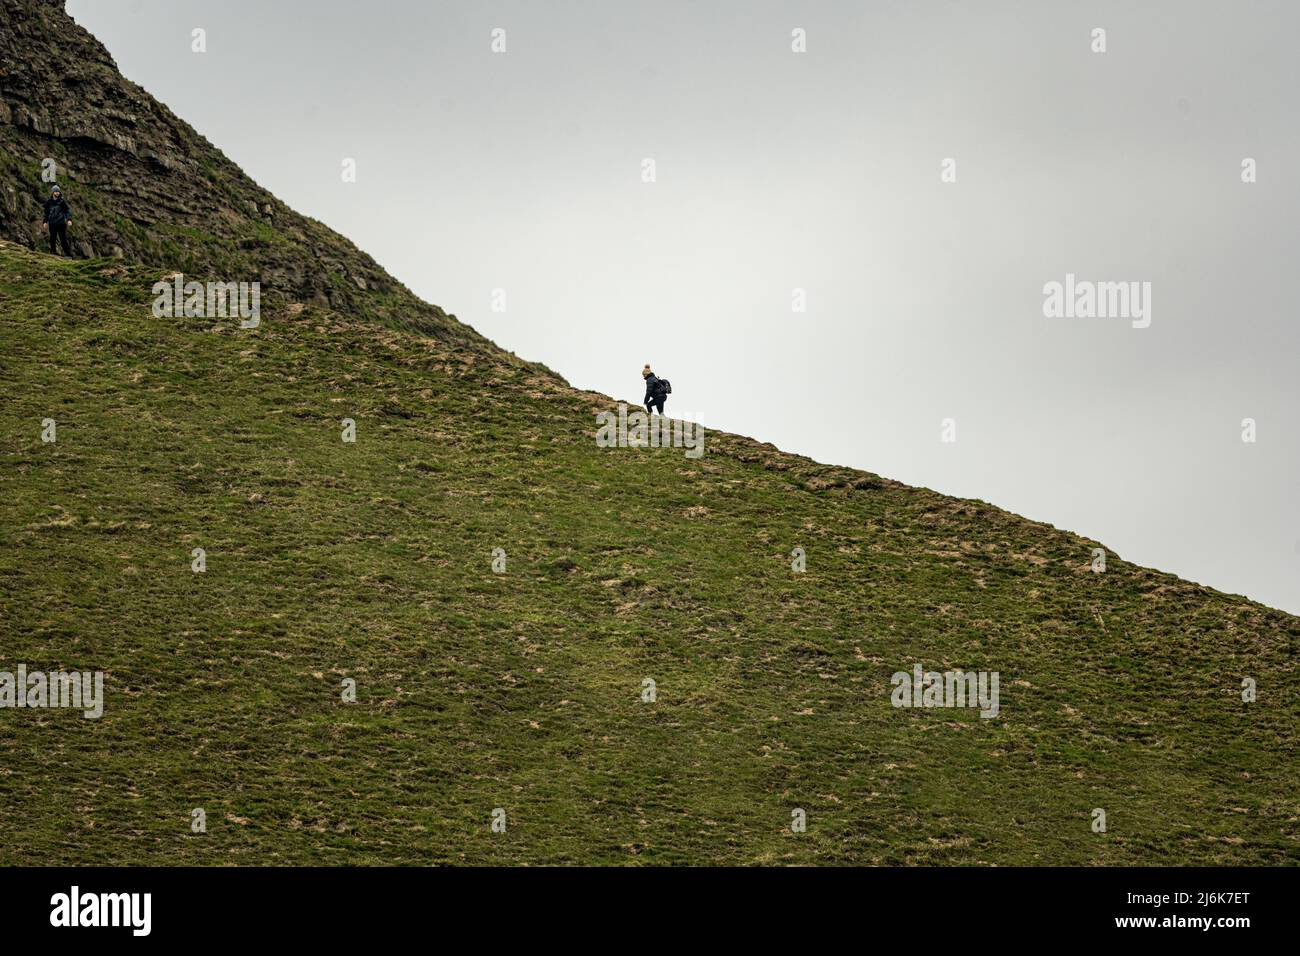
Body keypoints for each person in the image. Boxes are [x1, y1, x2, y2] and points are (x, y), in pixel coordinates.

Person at [42, 184, 74, 257]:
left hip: (61, 223)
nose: (57, 193)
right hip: (52, 223)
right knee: (52, 238)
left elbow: (67, 210)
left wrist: (69, 219)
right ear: (53, 192)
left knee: (63, 239)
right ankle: (53, 253)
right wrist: (45, 221)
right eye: (55, 191)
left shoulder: (62, 201)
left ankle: (68, 254)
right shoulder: (49, 202)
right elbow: (46, 213)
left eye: (58, 192)